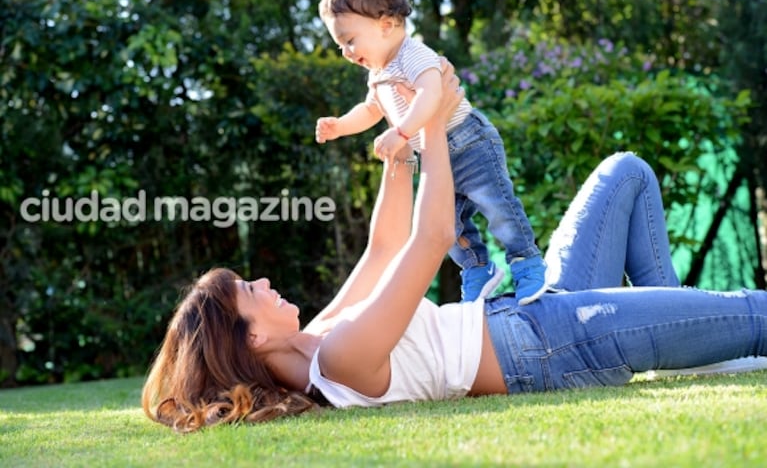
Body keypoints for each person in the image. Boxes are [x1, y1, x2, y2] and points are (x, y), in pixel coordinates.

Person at [142, 62, 767, 433]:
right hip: (555, 345)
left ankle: (691, 341)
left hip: (533, 311)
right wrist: (432, 121)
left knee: (624, 172)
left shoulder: (324, 333)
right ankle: (696, 333)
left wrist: (397, 144)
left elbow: (384, 247)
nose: (266, 285)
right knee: (751, 314)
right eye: (252, 292)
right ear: (251, 337)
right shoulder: (337, 362)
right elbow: (433, 235)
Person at [314, 0, 545, 303]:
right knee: (447, 225)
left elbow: (430, 95)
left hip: (469, 143)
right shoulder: (377, 75)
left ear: (386, 25)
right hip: (436, 159)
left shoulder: (413, 54)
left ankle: (526, 263)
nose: (347, 53)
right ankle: (478, 270)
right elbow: (370, 110)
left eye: (349, 40)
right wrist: (340, 125)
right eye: (341, 47)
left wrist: (403, 133)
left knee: (499, 208)